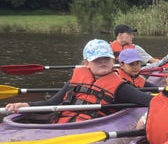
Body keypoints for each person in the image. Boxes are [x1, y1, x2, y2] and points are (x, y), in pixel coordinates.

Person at [4, 39, 153, 122]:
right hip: (62, 125)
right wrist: (26, 104)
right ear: (86, 63)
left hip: (91, 127)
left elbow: (149, 101)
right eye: (97, 60)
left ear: (112, 60)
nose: (103, 62)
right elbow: (51, 104)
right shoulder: (74, 82)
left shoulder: (121, 88)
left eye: (106, 59)